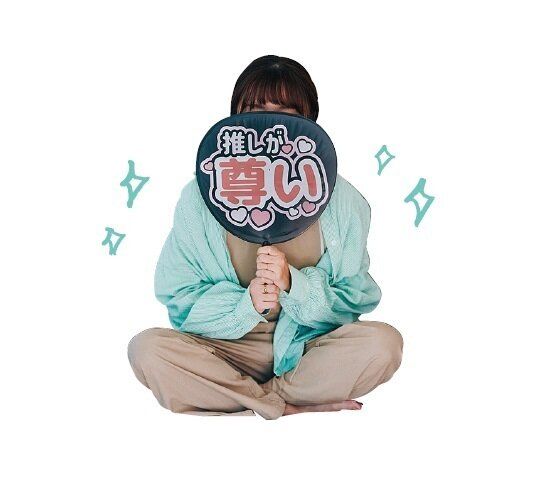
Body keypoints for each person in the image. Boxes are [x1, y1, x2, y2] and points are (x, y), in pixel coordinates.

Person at [127, 55, 404, 419]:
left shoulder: (344, 201)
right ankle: (285, 403)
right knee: (147, 350)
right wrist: (247, 305)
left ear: (310, 122)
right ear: (235, 119)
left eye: (286, 112)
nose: (271, 124)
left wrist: (294, 285)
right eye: (256, 110)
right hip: (226, 350)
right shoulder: (200, 196)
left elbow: (353, 300)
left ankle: (252, 398)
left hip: (307, 348)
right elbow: (180, 300)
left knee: (383, 345)